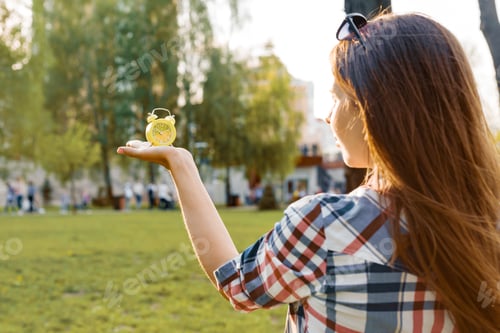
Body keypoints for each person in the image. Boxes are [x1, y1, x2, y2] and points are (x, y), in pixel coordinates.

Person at [117, 12, 500, 333]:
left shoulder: (324, 227)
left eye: (335, 97)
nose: (325, 113)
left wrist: (180, 164)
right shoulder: (489, 224)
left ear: (371, 111)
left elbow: (237, 284)